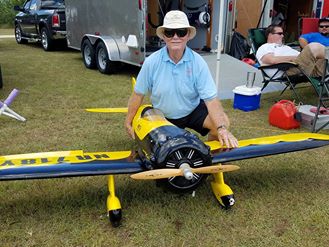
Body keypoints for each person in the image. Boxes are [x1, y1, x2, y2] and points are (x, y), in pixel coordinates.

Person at [125, 10, 238, 148]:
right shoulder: (151, 62)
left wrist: (221, 128)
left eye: (181, 32)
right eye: (170, 32)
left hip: (192, 111)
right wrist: (128, 121)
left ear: (188, 35)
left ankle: (210, 155)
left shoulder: (198, 62)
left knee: (223, 121)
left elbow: (211, 100)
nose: (175, 37)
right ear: (164, 37)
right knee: (164, 151)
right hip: (162, 115)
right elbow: (138, 94)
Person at [256, 24, 326, 79]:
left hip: (307, 67)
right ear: (270, 35)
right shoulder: (265, 47)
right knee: (314, 46)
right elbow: (271, 60)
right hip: (289, 69)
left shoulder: (285, 47)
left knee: (323, 59)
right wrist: (295, 57)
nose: (283, 36)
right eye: (280, 33)